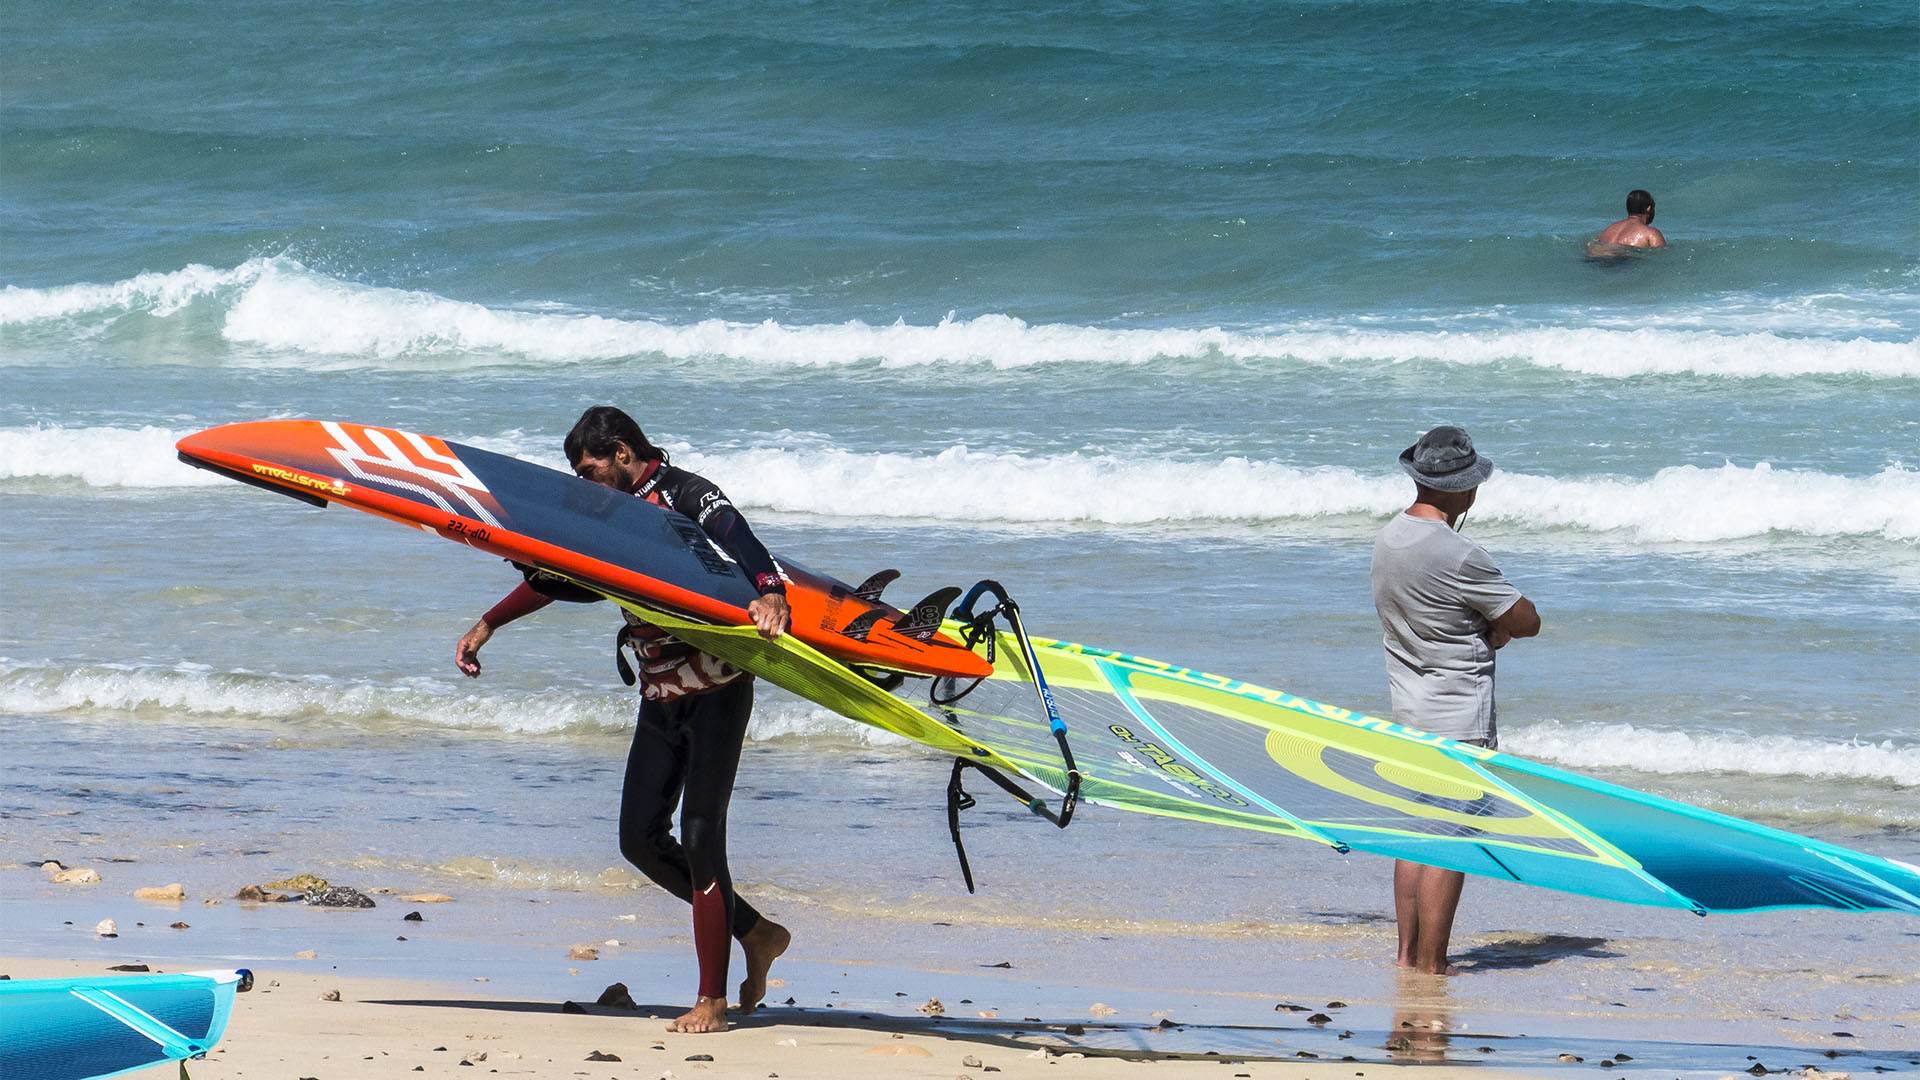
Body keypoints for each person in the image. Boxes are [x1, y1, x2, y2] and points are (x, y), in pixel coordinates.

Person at [454, 405, 793, 1033]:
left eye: (589, 469)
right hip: (660, 691)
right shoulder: (609, 512)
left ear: (620, 452)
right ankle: (757, 932)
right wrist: (490, 621)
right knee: (638, 839)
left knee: (700, 835)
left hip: (717, 688)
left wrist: (769, 589)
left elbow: (739, 535)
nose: (584, 483)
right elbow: (578, 582)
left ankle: (711, 1002)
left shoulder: (687, 492)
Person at [1371, 426, 1541, 975]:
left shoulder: (1389, 537)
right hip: (1458, 714)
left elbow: (1430, 618)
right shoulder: (1461, 554)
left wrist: (1480, 628)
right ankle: (1432, 963)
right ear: (1459, 490)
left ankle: (1407, 955)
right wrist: (1495, 629)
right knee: (1454, 842)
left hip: (1407, 707)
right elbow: (1527, 620)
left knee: (1416, 834)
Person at [1587, 189, 1666, 255]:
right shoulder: (1651, 233)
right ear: (1648, 208)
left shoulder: (1608, 229)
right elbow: (1661, 257)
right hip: (1623, 263)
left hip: (1596, 261)